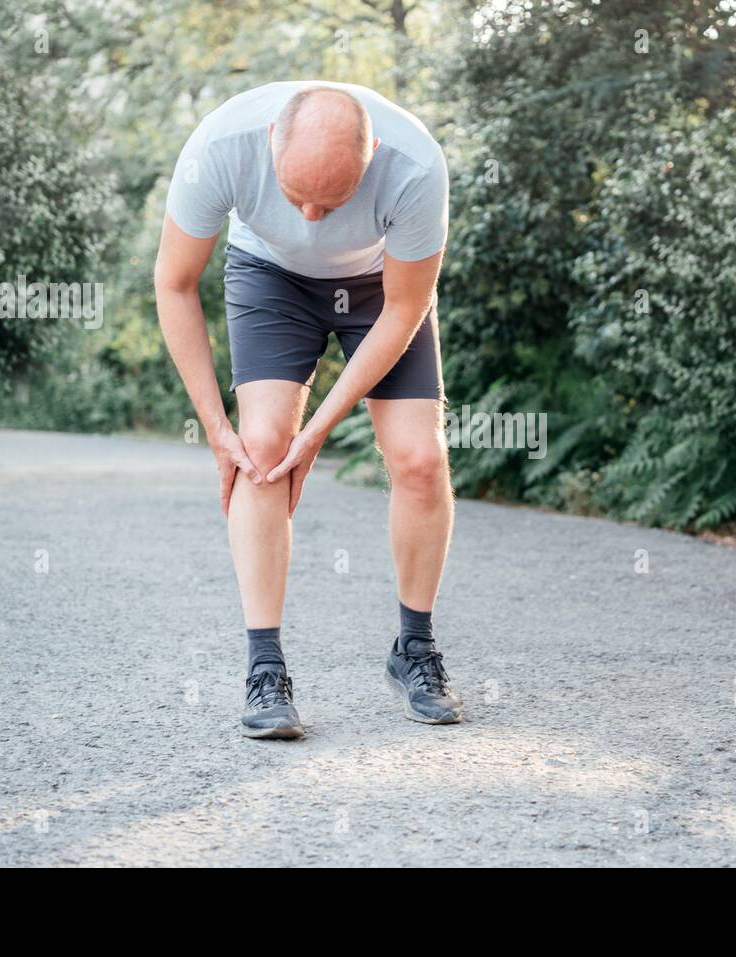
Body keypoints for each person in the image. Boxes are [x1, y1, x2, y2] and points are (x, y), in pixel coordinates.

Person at [155, 81, 463, 739]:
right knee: (263, 448)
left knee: (418, 458)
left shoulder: (415, 164)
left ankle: (415, 647)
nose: (313, 217)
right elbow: (175, 283)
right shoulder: (219, 146)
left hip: (382, 288)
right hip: (271, 279)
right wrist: (217, 428)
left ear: (372, 154)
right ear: (271, 142)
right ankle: (265, 668)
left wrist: (320, 426)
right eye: (296, 196)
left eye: (332, 200)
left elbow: (407, 307)